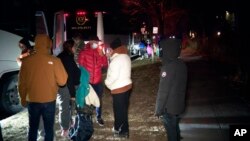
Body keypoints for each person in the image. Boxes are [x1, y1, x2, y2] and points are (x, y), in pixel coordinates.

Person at [18, 34, 68, 141]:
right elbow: (63, 81)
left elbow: (22, 83)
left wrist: (22, 98)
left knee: (33, 127)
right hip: (49, 100)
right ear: (48, 44)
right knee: (48, 128)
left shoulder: (26, 61)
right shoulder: (55, 61)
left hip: (32, 100)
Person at [154, 37, 187, 141]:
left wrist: (158, 110)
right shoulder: (182, 64)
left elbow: (163, 91)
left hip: (169, 108)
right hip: (179, 105)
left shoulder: (167, 68)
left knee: (171, 132)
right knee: (175, 127)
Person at [105, 38, 132, 138]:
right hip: (127, 87)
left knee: (119, 111)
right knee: (123, 110)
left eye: (110, 50)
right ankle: (123, 129)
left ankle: (121, 131)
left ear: (114, 49)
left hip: (119, 89)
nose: (109, 52)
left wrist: (106, 83)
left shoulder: (116, 60)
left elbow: (112, 76)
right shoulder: (125, 56)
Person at [78, 35, 108, 126]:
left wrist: (103, 55)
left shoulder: (99, 52)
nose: (96, 43)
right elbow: (81, 67)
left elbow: (105, 64)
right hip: (88, 82)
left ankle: (98, 117)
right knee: (88, 100)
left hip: (98, 81)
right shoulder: (83, 52)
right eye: (95, 42)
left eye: (97, 42)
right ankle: (89, 117)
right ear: (90, 42)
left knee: (99, 100)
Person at [57, 39, 81, 137]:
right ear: (70, 47)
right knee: (65, 107)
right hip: (66, 87)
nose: (75, 48)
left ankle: (68, 124)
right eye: (74, 46)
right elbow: (69, 77)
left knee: (65, 106)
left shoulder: (62, 57)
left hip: (62, 85)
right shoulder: (67, 58)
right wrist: (72, 93)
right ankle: (65, 129)